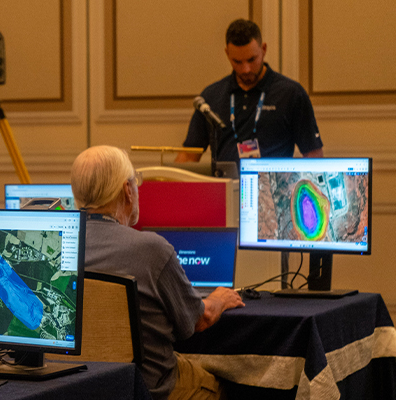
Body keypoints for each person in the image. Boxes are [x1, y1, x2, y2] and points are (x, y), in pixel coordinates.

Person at [72, 145, 245, 400]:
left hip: (75, 387)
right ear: (127, 190)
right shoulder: (151, 249)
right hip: (147, 389)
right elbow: (200, 320)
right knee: (225, 385)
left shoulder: (58, 247)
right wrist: (219, 299)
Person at [176, 19, 323, 163]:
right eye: (237, 62)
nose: (246, 69)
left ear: (263, 49)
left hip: (270, 185)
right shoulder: (212, 96)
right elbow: (189, 156)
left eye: (252, 60)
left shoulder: (291, 93)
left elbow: (313, 154)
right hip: (225, 184)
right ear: (227, 54)